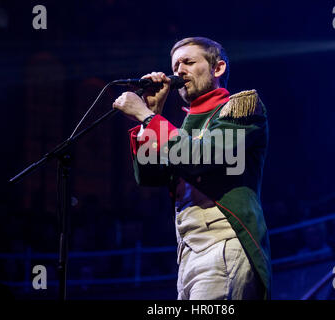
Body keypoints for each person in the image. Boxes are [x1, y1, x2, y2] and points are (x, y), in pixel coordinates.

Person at [113, 37, 271, 300]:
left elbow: (199, 156)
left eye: (188, 62)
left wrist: (148, 117)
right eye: (175, 66)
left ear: (217, 68)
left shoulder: (242, 108)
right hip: (187, 254)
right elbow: (149, 175)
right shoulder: (183, 127)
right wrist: (152, 113)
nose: (179, 72)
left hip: (223, 245)